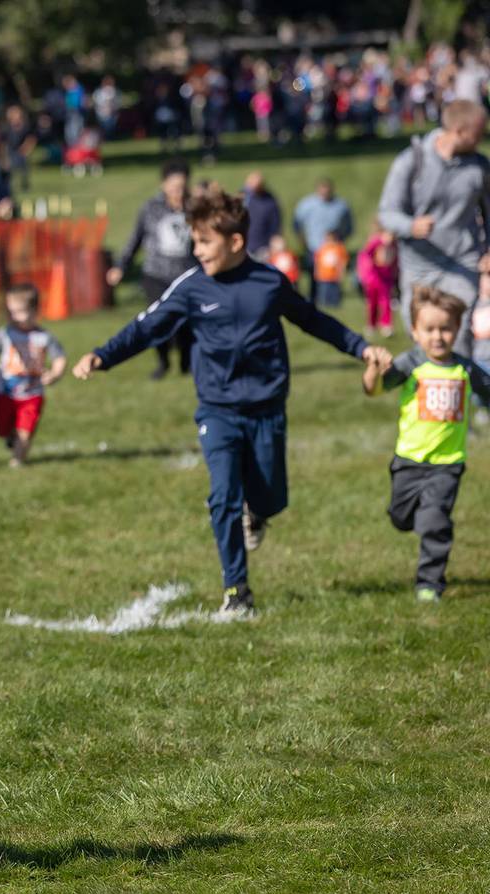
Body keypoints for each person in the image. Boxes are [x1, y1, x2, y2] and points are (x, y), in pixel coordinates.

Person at [73, 186, 391, 616]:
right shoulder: (191, 286)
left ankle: (258, 513)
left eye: (204, 241)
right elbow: (146, 327)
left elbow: (314, 321)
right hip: (218, 408)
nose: (196, 249)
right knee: (223, 495)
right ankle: (237, 590)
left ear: (236, 242)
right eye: (195, 240)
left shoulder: (269, 282)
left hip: (267, 407)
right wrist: (103, 355)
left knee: (271, 497)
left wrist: (359, 347)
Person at [363, 287, 490, 601]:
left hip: (447, 464)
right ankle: (413, 518)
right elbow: (375, 389)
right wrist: (372, 373)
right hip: (408, 460)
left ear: (458, 330)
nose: (438, 337)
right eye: (429, 330)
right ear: (415, 331)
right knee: (400, 517)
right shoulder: (410, 364)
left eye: (445, 329)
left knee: (435, 523)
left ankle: (429, 583)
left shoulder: (466, 368)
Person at [377, 99, 490, 353]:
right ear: (459, 130)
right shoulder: (412, 161)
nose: (482, 137)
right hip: (420, 266)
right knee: (422, 337)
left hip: (462, 263)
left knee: (456, 338)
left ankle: (464, 391)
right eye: (478, 132)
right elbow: (386, 213)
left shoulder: (479, 167)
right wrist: (410, 225)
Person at [106, 160, 197, 379]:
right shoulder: (151, 208)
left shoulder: (195, 207)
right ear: (164, 185)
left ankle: (186, 362)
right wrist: (120, 266)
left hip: (187, 275)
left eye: (182, 187)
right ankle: (163, 363)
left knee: (186, 322)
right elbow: (135, 239)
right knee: (159, 321)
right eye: (174, 187)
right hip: (156, 274)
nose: (178, 192)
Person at [0, 284, 66, 467]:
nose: (14, 317)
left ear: (35, 311)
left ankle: (17, 460)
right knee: (0, 428)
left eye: (20, 312)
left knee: (26, 429)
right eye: (11, 312)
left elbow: (59, 358)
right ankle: (10, 436)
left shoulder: (44, 336)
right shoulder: (6, 333)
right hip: (5, 391)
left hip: (32, 393)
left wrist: (54, 374)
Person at [293, 178, 353, 302]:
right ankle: (312, 299)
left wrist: (341, 240)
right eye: (322, 190)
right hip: (313, 246)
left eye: (327, 190)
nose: (324, 193)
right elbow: (297, 223)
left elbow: (349, 225)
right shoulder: (307, 204)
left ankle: (331, 300)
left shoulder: (340, 206)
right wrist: (302, 239)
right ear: (317, 190)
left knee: (331, 275)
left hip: (332, 248)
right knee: (313, 273)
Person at [356, 221, 400, 338]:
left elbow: (395, 260)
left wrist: (395, 272)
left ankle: (386, 325)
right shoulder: (376, 241)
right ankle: (371, 325)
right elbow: (365, 255)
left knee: (386, 301)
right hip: (373, 278)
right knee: (373, 303)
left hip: (386, 278)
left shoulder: (394, 244)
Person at [242, 172, 282, 260]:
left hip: (263, 248)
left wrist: (274, 242)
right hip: (245, 247)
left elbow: (275, 225)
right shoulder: (244, 198)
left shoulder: (269, 201)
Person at [1, 104, 37, 192]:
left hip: (21, 152)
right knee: (7, 170)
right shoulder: (7, 128)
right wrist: (4, 156)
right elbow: (3, 142)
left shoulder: (25, 126)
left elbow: (32, 138)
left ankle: (25, 186)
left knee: (24, 169)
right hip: (10, 151)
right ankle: (6, 187)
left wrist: (26, 148)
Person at [312, 230, 349, 308]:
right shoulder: (322, 249)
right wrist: (316, 271)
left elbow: (343, 261)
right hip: (324, 275)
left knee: (334, 291)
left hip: (335, 275)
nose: (329, 241)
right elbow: (317, 261)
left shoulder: (339, 248)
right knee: (323, 292)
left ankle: (335, 304)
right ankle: (324, 305)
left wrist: (342, 272)